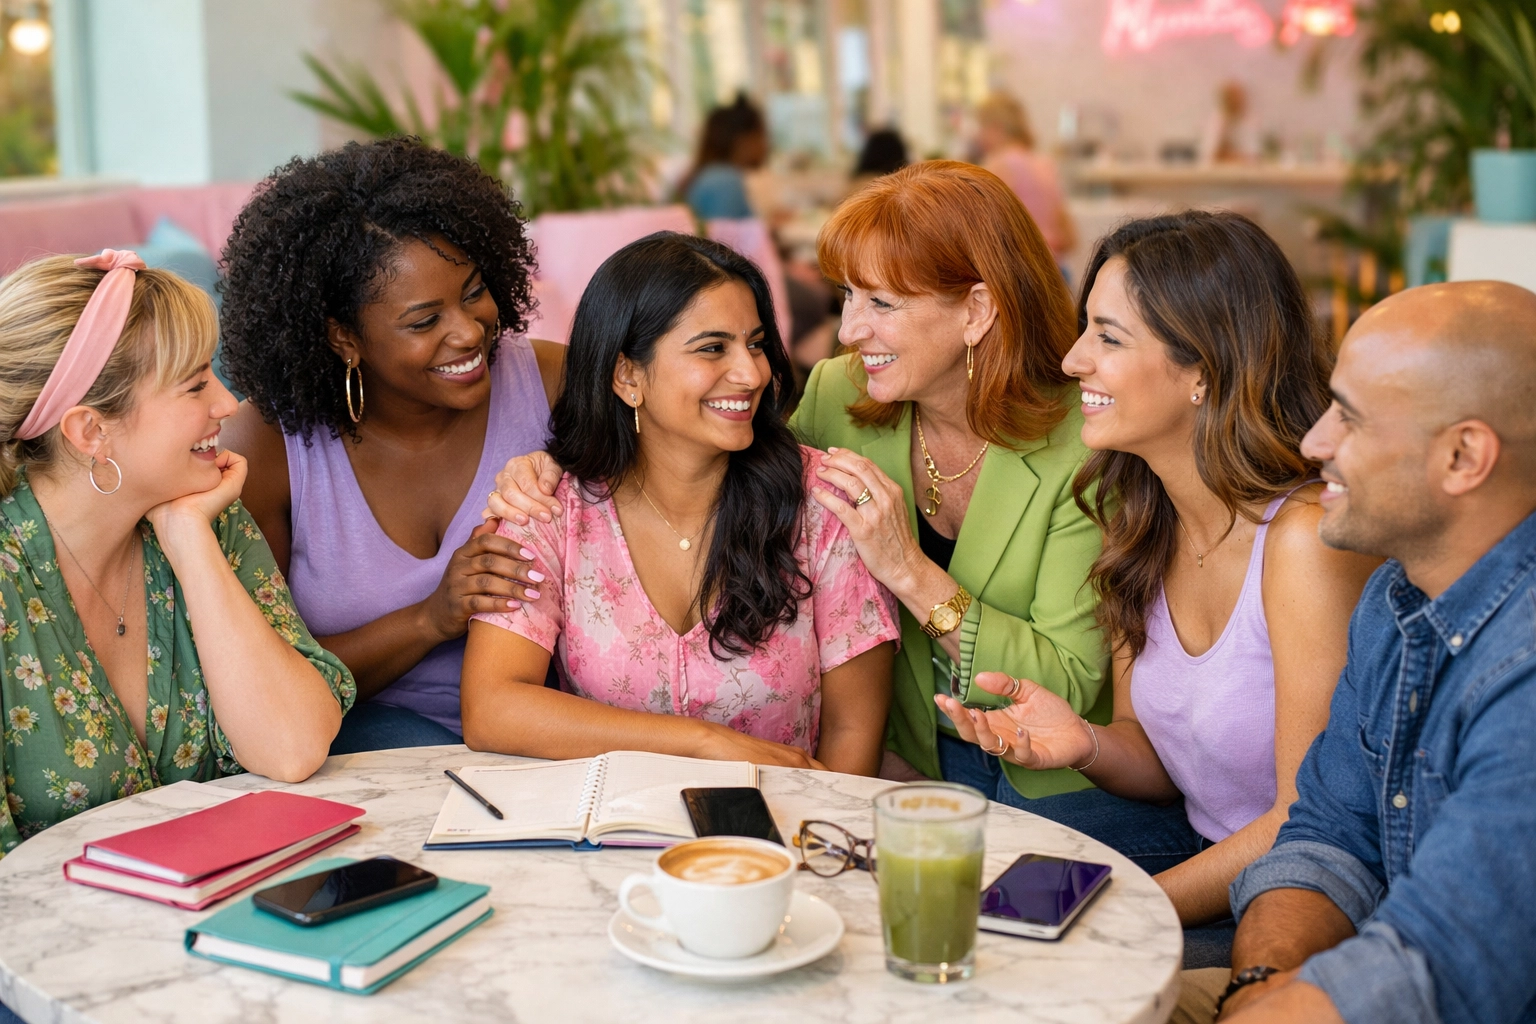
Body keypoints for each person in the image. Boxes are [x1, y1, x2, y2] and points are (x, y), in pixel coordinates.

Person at [487, 162, 1111, 798]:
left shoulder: (1081, 444)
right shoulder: (842, 394)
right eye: (847, 296)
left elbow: (1067, 686)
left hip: (1046, 766)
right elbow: (739, 464)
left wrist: (909, 571)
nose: (846, 332)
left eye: (881, 303)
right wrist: (550, 471)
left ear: (976, 310)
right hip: (912, 754)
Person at [934, 211, 1378, 968]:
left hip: (1302, 891)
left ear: (1202, 368)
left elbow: (1311, 822)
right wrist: (1086, 743)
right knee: (967, 886)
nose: (1072, 360)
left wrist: (1128, 907)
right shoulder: (1138, 517)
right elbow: (1155, 755)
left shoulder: (1302, 541)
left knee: (1029, 951)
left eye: (1108, 337)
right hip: (1199, 848)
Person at [1175, 281, 1536, 1024]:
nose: (1313, 442)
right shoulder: (1395, 597)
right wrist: (1260, 980)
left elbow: (1439, 970)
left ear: (1465, 456)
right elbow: (1330, 836)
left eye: (1351, 418)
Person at [460, 233, 898, 774]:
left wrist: (814, 847)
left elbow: (852, 731)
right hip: (606, 839)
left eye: (756, 343)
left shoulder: (823, 505)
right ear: (628, 376)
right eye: (713, 348)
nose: (751, 372)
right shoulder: (550, 511)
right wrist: (701, 743)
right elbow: (492, 708)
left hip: (778, 841)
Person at [0, 252, 355, 858]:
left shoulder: (204, 514)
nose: (228, 403)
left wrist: (189, 539)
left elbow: (292, 747)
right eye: (195, 385)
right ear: (90, 432)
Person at [219, 138, 558, 753]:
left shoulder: (553, 387)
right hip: (361, 753)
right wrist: (430, 618)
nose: (469, 332)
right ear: (344, 338)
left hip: (544, 734)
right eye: (424, 321)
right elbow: (260, 681)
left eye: (475, 291)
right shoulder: (265, 447)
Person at [975, 92, 1076, 266]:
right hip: (1054, 267)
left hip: (1022, 270)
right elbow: (1066, 231)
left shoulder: (999, 165)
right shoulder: (1044, 163)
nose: (979, 136)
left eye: (981, 128)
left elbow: (984, 230)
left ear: (996, 128)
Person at [676, 93, 769, 222]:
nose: (766, 145)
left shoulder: (712, 174)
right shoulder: (725, 181)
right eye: (761, 136)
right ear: (743, 141)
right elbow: (725, 239)